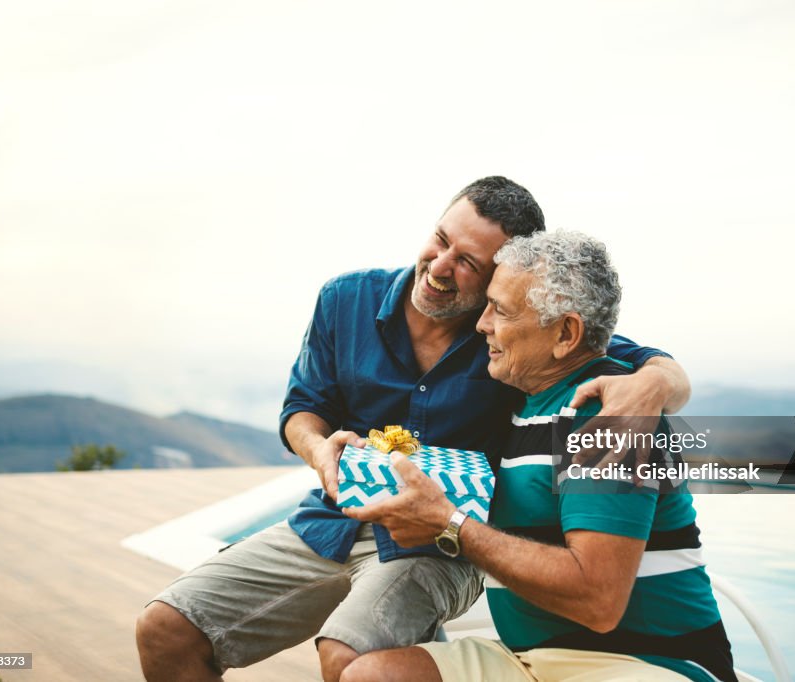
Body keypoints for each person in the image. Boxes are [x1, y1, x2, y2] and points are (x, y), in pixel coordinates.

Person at [135, 177, 692, 682]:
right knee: (164, 628)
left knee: (350, 656)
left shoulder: (514, 333)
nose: (440, 265)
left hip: (441, 543)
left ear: (504, 275)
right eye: (440, 238)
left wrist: (655, 385)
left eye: (469, 262)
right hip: (334, 517)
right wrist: (318, 450)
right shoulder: (344, 299)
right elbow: (303, 407)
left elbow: (601, 347)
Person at [341, 231, 736, 682]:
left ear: (566, 334)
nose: (481, 324)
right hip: (530, 659)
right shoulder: (515, 400)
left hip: (647, 664)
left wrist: (452, 525)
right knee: (369, 676)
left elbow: (598, 600)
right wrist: (367, 452)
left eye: (501, 311)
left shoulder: (604, 411)